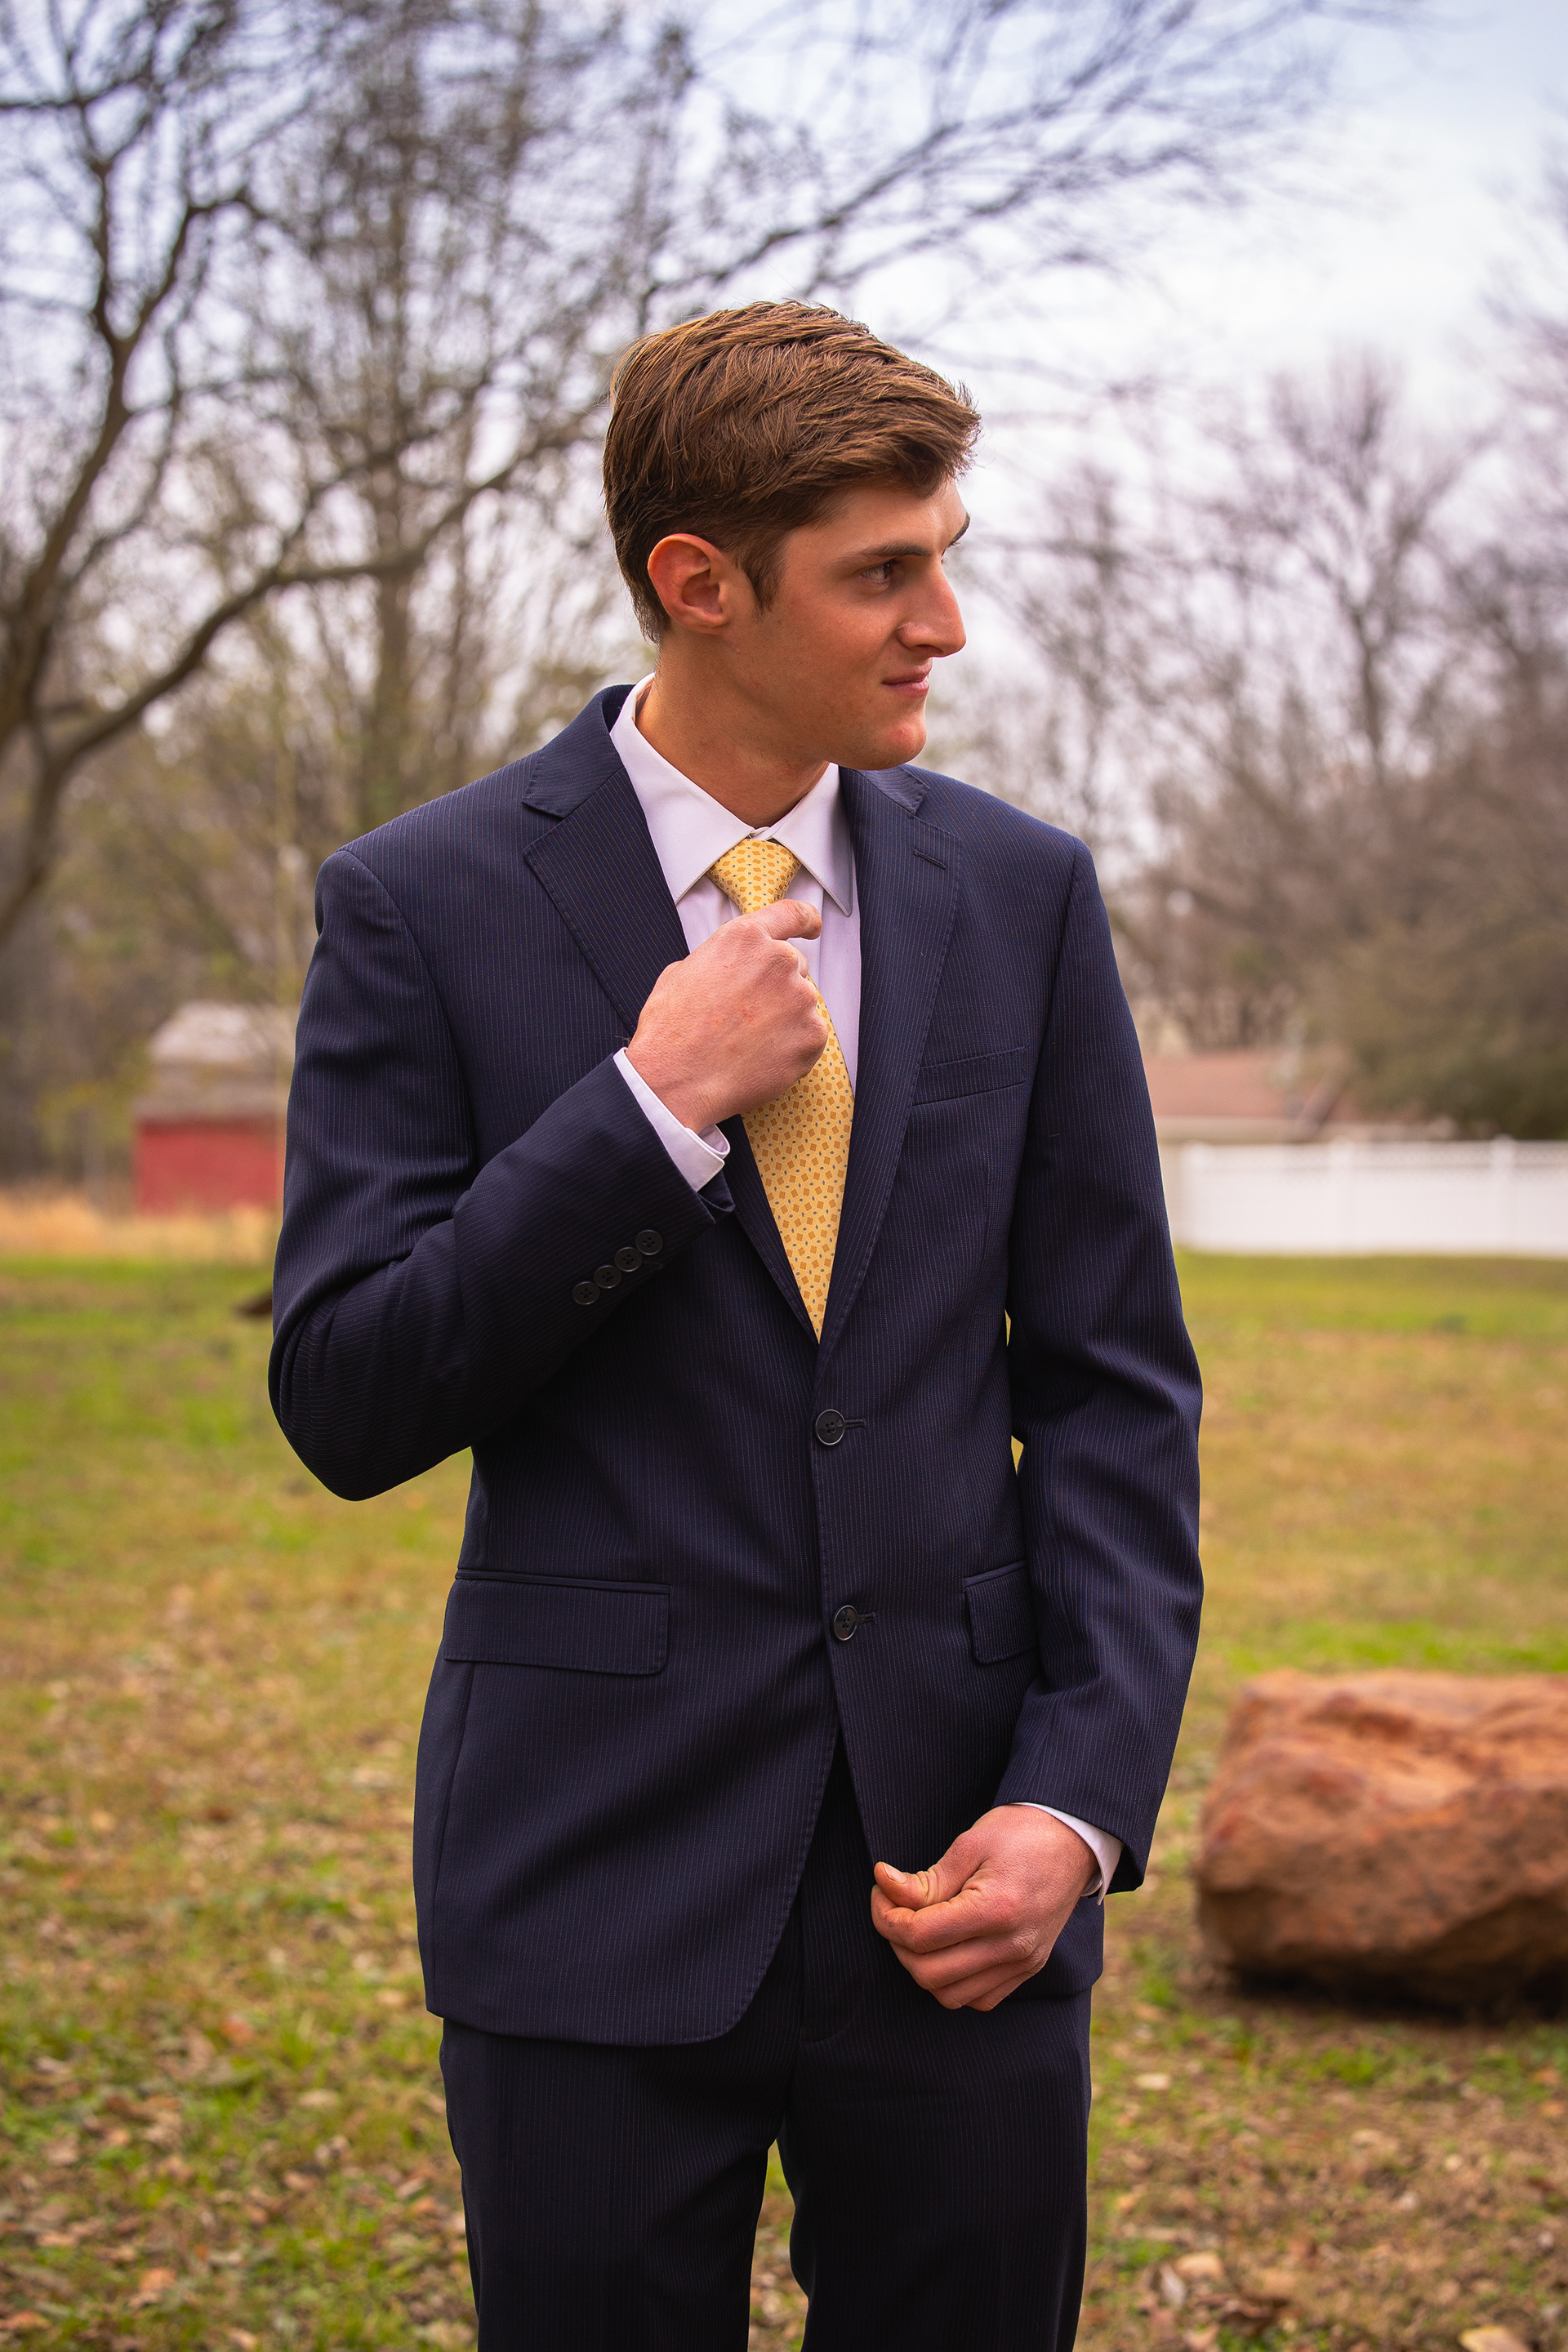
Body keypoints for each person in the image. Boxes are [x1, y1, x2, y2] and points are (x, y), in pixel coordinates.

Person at [270, 301, 1201, 2352]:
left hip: (964, 1872)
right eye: (884, 573)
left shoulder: (1026, 896)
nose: (944, 623)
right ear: (699, 582)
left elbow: (1117, 1392)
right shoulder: (421, 904)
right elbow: (346, 1392)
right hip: (589, 1877)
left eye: (947, 555)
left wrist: (1075, 1803)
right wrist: (644, 1109)